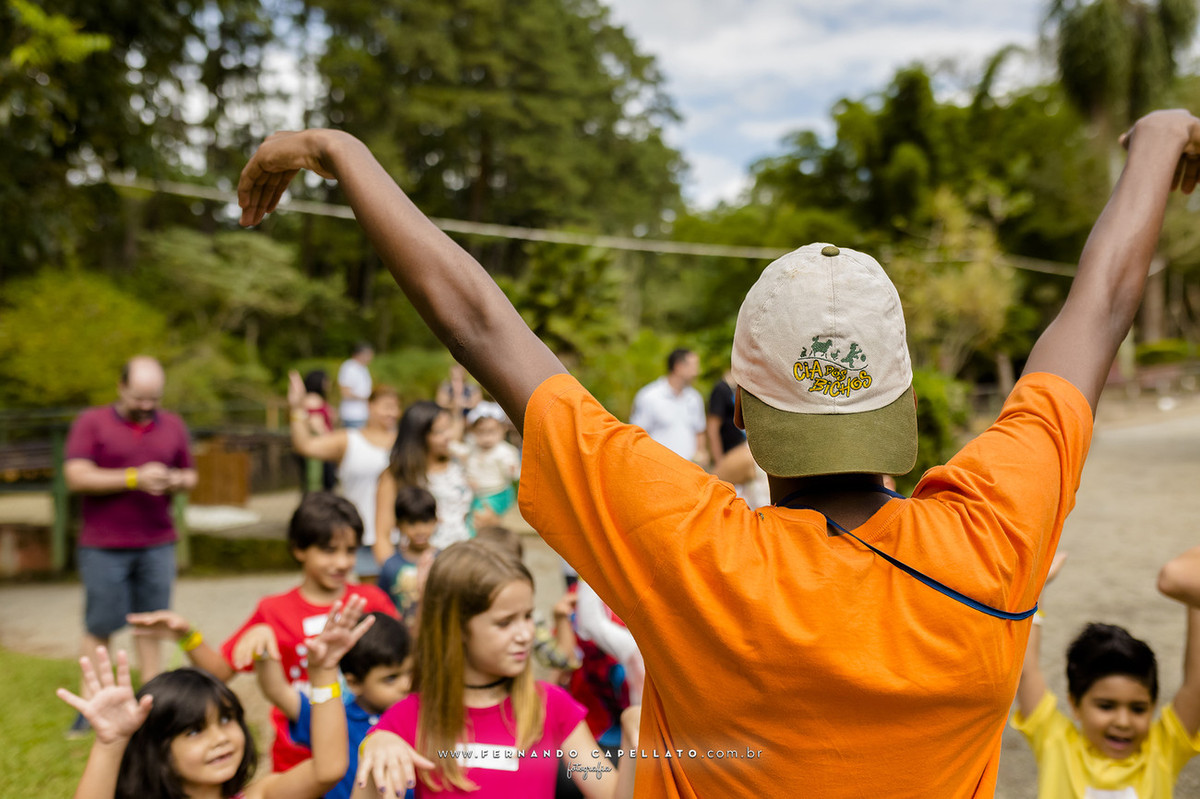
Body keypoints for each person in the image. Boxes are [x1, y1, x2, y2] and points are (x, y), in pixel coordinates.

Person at [238, 108, 1200, 797]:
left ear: (738, 410)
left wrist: (340, 150)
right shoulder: (996, 536)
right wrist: (1159, 140)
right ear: (904, 401)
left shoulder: (689, 547)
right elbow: (1103, 311)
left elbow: (485, 328)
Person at [132, 492, 398, 772]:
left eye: (351, 550)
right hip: (298, 757)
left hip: (372, 745)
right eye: (329, 550)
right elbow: (220, 671)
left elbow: (405, 667)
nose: (342, 562)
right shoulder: (273, 611)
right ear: (299, 549)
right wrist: (187, 636)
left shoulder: (372, 600)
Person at [351, 540, 638, 798]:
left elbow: (611, 794)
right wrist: (375, 743)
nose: (526, 633)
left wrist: (633, 740)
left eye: (527, 616)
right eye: (505, 622)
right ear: (457, 628)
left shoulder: (553, 706)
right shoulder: (406, 719)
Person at [56, 599, 370, 799]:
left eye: (225, 719)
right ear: (158, 750)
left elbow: (328, 770)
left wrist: (325, 673)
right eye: (194, 731)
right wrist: (110, 745)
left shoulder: (260, 794)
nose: (220, 738)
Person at [64, 355, 197, 734]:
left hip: (157, 541)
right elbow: (76, 475)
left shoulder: (173, 425)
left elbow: (191, 475)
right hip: (104, 544)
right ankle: (90, 706)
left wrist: (172, 480)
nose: (146, 405)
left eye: (153, 397)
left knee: (153, 625)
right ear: (121, 388)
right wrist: (134, 478)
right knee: (100, 624)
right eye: (139, 397)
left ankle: (152, 703)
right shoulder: (92, 422)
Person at [1014, 553, 1200, 796]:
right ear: (1075, 704)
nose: (1123, 722)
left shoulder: (1162, 750)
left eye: (1138, 709)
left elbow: (1196, 686)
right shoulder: (1057, 744)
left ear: (1154, 705)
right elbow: (1026, 672)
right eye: (1106, 706)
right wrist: (1034, 589)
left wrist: (1193, 594)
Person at [256, 609, 415, 799]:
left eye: (411, 672)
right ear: (354, 682)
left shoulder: (419, 714)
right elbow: (277, 691)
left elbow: (449, 754)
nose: (406, 685)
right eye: (391, 678)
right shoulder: (331, 720)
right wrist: (262, 649)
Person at [287, 370, 400, 577]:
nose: (392, 413)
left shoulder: (405, 443)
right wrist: (296, 410)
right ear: (370, 406)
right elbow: (305, 446)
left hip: (401, 538)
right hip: (360, 538)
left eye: (395, 407)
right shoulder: (348, 440)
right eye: (386, 407)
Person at [374, 401, 472, 554]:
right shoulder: (396, 475)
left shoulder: (459, 465)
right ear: (418, 437)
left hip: (465, 558)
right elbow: (383, 536)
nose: (448, 436)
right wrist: (394, 572)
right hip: (422, 564)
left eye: (448, 428)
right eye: (439, 431)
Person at [629, 348, 708, 464]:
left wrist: (701, 453)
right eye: (693, 366)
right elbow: (637, 435)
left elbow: (699, 431)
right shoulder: (648, 396)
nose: (697, 372)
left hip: (689, 472)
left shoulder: (695, 398)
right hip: (658, 469)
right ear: (678, 367)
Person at [377, 485, 439, 630]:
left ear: (435, 521)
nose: (420, 530)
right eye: (412, 523)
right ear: (398, 525)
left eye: (425, 522)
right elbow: (383, 604)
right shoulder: (390, 565)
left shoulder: (443, 560)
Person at [460, 401, 521, 520]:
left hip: (498, 492)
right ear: (473, 432)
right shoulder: (473, 448)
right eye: (481, 432)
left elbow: (513, 474)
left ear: (502, 429)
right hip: (478, 494)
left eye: (491, 432)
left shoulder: (504, 451)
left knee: (481, 518)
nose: (486, 438)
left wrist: (512, 470)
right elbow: (467, 461)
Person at [294, 369, 339, 492]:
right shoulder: (313, 399)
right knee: (322, 482)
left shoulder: (316, 399)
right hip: (321, 444)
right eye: (326, 380)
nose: (328, 383)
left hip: (321, 443)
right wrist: (330, 439)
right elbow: (315, 423)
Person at [706, 368, 745, 468]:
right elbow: (712, 429)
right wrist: (720, 463)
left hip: (744, 450)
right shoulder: (721, 389)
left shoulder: (743, 388)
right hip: (729, 455)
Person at [338, 342, 374, 429]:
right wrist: (368, 398)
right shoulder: (349, 367)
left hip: (362, 414)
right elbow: (345, 392)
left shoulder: (363, 368)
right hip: (352, 415)